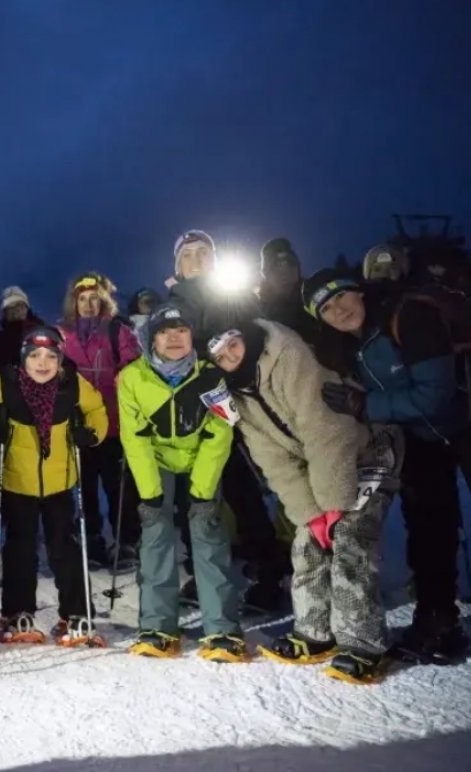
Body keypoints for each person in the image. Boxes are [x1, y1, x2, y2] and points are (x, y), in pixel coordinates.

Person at [305, 268, 471, 669]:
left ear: (360, 292)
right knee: (428, 526)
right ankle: (436, 621)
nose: (339, 310)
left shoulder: (408, 317)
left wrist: (364, 408)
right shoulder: (349, 348)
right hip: (421, 435)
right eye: (328, 309)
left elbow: (434, 395)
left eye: (342, 297)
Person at [206, 321, 403, 683]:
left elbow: (327, 431)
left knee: (350, 537)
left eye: (233, 344)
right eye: (220, 355)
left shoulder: (288, 355)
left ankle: (363, 644)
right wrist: (311, 514)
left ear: (243, 338)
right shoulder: (237, 394)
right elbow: (272, 458)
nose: (230, 356)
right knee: (307, 542)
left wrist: (332, 507)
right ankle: (316, 633)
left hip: (366, 448)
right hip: (319, 461)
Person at [0, 326, 108, 646]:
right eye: (35, 356)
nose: (43, 363)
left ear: (60, 359)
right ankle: (16, 611)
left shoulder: (72, 383)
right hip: (18, 480)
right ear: (24, 358)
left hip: (60, 480)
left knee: (64, 547)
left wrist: (92, 433)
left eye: (51, 357)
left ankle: (76, 611)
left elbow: (96, 408)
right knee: (21, 548)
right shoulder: (7, 380)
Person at [117, 302, 245, 662]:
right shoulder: (132, 377)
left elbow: (221, 430)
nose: (174, 337)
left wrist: (202, 488)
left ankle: (221, 628)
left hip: (199, 458)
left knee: (207, 534)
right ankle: (158, 625)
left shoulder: (209, 375)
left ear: (192, 335)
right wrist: (151, 492)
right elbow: (134, 437)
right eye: (164, 331)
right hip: (155, 461)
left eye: (182, 330)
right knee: (155, 536)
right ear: (151, 338)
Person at [168, 231, 287, 608]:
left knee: (243, 493)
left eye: (204, 252)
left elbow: (256, 346)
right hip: (188, 415)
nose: (197, 259)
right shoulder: (169, 305)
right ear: (178, 266)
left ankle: (268, 572)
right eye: (188, 255)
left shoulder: (236, 299)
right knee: (193, 499)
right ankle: (202, 574)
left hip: (233, 411)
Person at [57, 272, 142, 566]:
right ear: (74, 302)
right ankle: (92, 537)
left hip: (115, 422)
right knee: (86, 485)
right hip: (81, 423)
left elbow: (134, 360)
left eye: (94, 298)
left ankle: (127, 540)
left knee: (118, 486)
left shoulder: (117, 331)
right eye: (82, 299)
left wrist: (128, 373)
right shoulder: (64, 335)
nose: (88, 304)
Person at [259, 238, 319, 344]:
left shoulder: (315, 299)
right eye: (275, 267)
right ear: (266, 275)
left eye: (290, 264)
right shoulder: (257, 310)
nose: (284, 271)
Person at [0, 285, 43, 371]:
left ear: (26, 307)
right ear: (4, 312)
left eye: (19, 305)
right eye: (10, 307)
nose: (15, 310)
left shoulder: (43, 333)